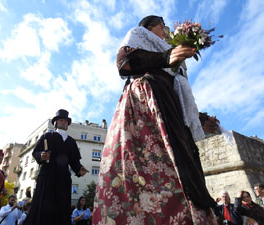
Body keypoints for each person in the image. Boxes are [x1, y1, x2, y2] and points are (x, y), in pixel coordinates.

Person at [93, 15, 218, 224]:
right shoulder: (138, 35)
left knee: (183, 167)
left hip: (169, 108)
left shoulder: (171, 56)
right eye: (163, 26)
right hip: (147, 104)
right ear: (150, 27)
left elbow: (179, 93)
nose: (167, 30)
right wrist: (166, 56)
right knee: (148, 164)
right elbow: (124, 61)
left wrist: (200, 118)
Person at [24, 109, 88, 225]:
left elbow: (74, 162)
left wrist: (80, 169)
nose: (63, 123)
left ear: (68, 124)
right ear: (56, 122)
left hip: (63, 179)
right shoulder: (47, 136)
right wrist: (41, 156)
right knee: (44, 207)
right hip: (47, 177)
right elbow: (36, 152)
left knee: (61, 208)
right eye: (61, 120)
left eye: (66, 121)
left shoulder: (71, 142)